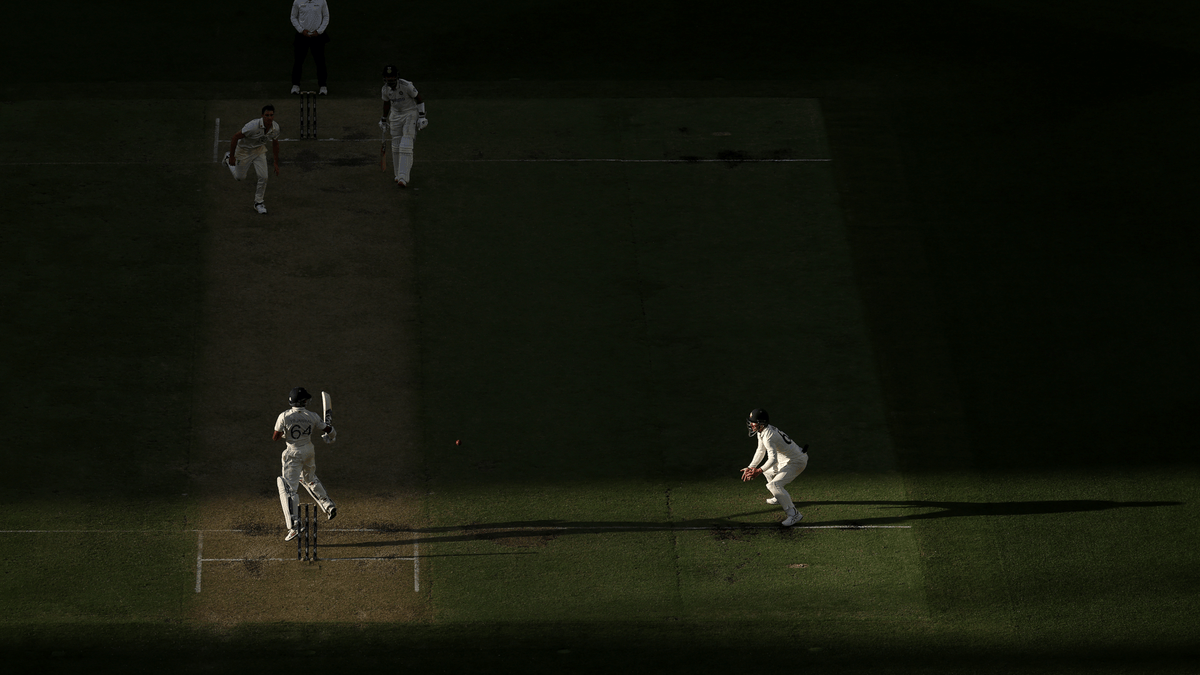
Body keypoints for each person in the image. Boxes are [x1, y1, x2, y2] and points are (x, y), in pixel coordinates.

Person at [273, 387, 338, 542]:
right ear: (302, 401)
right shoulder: (312, 416)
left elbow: (276, 437)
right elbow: (329, 429)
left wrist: (286, 435)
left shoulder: (284, 416)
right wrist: (331, 436)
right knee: (309, 478)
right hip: (308, 451)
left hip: (293, 453)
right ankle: (328, 504)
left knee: (289, 489)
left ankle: (294, 526)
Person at [740, 409, 808, 527]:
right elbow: (760, 450)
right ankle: (779, 497)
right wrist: (751, 467)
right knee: (768, 473)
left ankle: (794, 514)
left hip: (796, 462)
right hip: (786, 460)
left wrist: (758, 471)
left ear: (761, 423)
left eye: (753, 422)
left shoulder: (769, 435)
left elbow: (772, 459)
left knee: (774, 485)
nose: (751, 424)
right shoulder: (762, 431)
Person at [222, 105, 281, 214]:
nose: (269, 118)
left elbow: (275, 144)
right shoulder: (252, 126)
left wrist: (276, 163)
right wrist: (232, 157)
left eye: (271, 115)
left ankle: (258, 202)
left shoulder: (275, 128)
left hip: (259, 150)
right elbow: (235, 137)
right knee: (240, 177)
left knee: (264, 177)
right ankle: (227, 157)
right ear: (262, 116)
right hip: (243, 151)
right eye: (267, 115)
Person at [379, 64, 428, 188]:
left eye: (391, 77)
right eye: (387, 77)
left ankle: (403, 177)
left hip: (409, 113)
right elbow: (386, 104)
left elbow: (419, 99)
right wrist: (384, 119)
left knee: (406, 144)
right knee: (395, 145)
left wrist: (422, 116)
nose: (389, 80)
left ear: (396, 76)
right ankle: (397, 175)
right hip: (395, 115)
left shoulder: (406, 86)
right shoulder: (385, 89)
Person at [289, 0, 330, 96]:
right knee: (298, 61)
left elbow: (326, 17)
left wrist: (319, 31)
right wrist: (301, 30)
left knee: (320, 62)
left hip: (317, 37)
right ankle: (295, 85)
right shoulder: (297, 1)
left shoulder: (322, 1)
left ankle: (323, 86)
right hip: (302, 37)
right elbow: (293, 17)